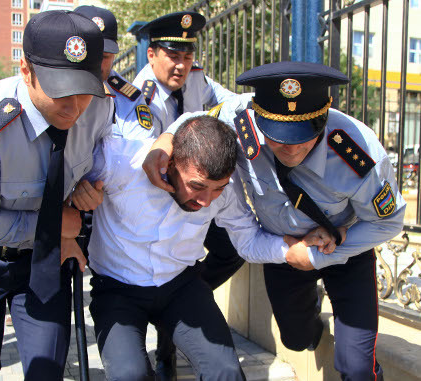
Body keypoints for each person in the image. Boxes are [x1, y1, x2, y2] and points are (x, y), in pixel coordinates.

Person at [143, 61, 406, 381]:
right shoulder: (243, 117)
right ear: (258, 114)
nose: (290, 147)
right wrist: (165, 141)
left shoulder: (358, 150)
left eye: (303, 135)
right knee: (296, 338)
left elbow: (389, 222)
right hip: (284, 248)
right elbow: (196, 121)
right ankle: (311, 318)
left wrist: (318, 255)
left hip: (346, 246)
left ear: (324, 116)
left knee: (356, 363)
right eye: (278, 134)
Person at [71, 115, 340, 381]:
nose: (205, 200)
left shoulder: (225, 191)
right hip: (118, 289)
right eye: (196, 186)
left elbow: (247, 241)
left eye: (217, 189)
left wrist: (290, 248)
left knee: (225, 372)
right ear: (171, 161)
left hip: (181, 288)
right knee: (131, 375)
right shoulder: (119, 161)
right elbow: (60, 175)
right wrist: (76, 192)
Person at [0, 10, 106, 381]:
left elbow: (100, 164)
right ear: (26, 70)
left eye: (83, 90)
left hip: (42, 264)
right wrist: (56, 227)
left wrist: (84, 187)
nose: (73, 106)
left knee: (47, 370)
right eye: (59, 89)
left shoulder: (97, 112)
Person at [132, 12, 242, 378]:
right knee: (175, 266)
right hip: (159, 199)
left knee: (231, 250)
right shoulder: (136, 95)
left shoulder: (199, 81)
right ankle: (166, 351)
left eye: (187, 56)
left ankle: (173, 314)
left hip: (198, 197)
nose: (181, 65)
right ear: (151, 55)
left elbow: (234, 105)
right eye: (172, 55)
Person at [74, 5, 155, 140]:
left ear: (113, 57)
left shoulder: (129, 99)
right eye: (89, 54)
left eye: (104, 56)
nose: (96, 62)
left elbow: (141, 149)